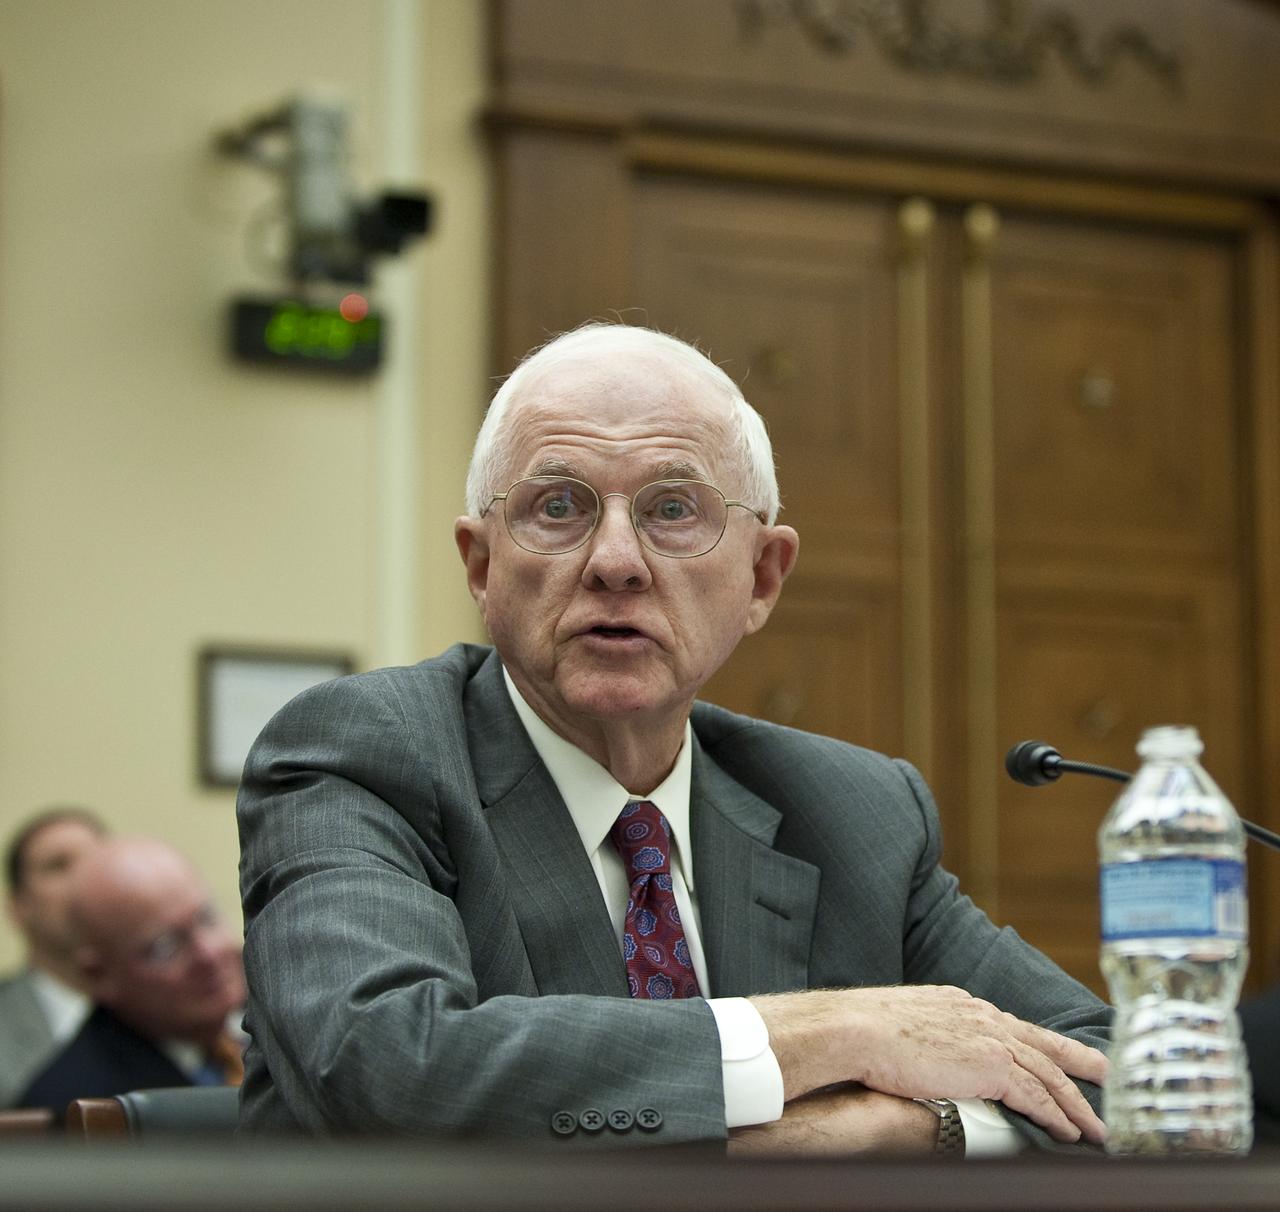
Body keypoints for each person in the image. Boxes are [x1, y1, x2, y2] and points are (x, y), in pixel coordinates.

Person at [237, 322, 1110, 1154]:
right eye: (558, 506)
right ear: (481, 564)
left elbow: (1131, 1073)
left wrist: (906, 1130)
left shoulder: (855, 812)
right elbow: (388, 1067)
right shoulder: (366, 756)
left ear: (762, 577)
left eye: (674, 509)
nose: (616, 561)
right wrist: (837, 1030)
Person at [18, 835, 246, 1112]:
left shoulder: (275, 1020)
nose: (208, 954)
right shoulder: (81, 1106)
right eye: (166, 946)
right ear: (98, 975)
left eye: (206, 918)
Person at [0, 807, 108, 1108]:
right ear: (18, 907)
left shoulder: (166, 1010)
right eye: (59, 865)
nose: (85, 877)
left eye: (98, 862)